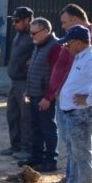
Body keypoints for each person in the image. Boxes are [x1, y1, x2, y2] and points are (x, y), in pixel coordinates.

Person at [55, 25, 92, 183]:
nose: (66, 46)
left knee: (81, 153)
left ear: (78, 42)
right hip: (73, 113)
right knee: (74, 152)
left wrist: (89, 100)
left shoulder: (91, 59)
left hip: (82, 114)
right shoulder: (80, 56)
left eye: (68, 43)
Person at [40, 4, 92, 117]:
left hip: (75, 106)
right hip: (73, 102)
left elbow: (68, 70)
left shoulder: (86, 39)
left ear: (75, 19)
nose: (63, 26)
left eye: (65, 22)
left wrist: (89, 100)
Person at [22, 17, 62, 172]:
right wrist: (28, 90)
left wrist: (48, 97)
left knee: (48, 129)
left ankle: (50, 161)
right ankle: (36, 158)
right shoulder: (38, 45)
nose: (31, 36)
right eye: (30, 33)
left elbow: (55, 74)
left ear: (45, 31)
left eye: (34, 33)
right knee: (36, 128)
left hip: (44, 97)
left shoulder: (55, 47)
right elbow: (34, 70)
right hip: (34, 93)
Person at [3, 6, 36, 160]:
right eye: (13, 21)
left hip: (25, 84)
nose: (14, 24)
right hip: (15, 82)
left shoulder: (34, 36)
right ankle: (15, 145)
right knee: (13, 115)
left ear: (27, 20)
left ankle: (27, 149)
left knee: (26, 117)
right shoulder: (19, 35)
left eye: (17, 21)